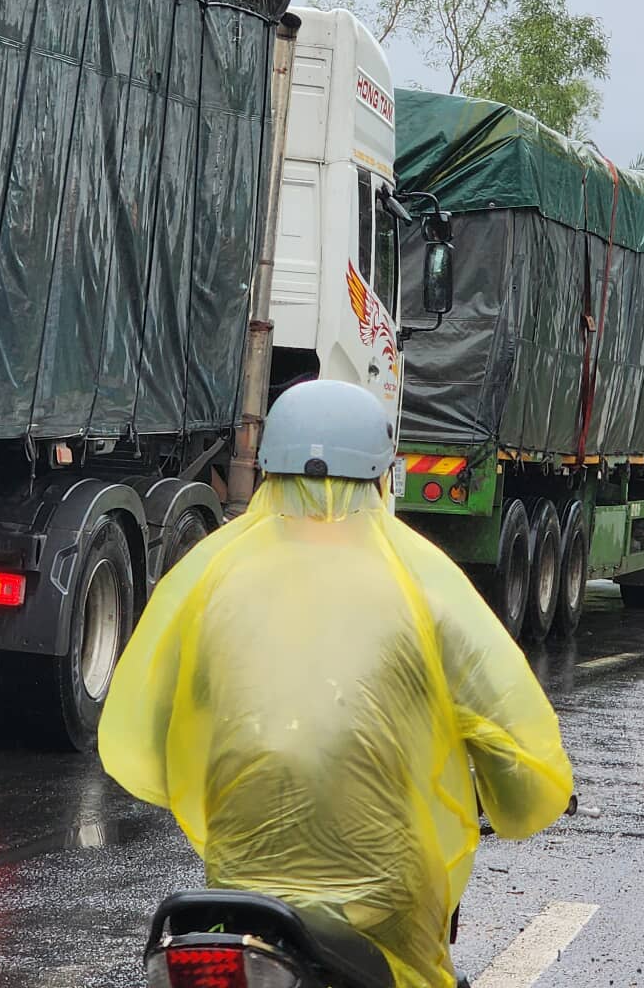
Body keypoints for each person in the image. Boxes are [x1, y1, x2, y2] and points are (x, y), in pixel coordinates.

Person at [99, 379, 574, 988]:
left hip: (242, 887)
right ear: (381, 477)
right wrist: (524, 797)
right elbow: (515, 741)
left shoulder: (208, 575)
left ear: (268, 469)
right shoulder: (423, 581)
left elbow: (148, 729)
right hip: (386, 897)